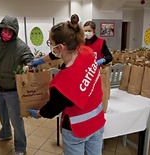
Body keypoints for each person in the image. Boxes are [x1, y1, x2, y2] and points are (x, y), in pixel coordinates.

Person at [27, 14, 105, 155]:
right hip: (97, 123)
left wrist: (39, 113)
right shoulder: (87, 52)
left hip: (76, 129)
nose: (51, 47)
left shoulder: (62, 83)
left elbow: (52, 110)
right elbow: (56, 54)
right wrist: (40, 60)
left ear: (61, 46)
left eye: (51, 43)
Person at [0, 15, 34, 155]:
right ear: (1, 29)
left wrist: (29, 64)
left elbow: (28, 57)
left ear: (15, 32)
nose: (6, 33)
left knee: (16, 120)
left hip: (13, 91)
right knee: (2, 114)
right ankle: (5, 134)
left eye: (10, 31)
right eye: (5, 30)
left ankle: (20, 147)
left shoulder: (21, 46)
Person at [31, 21, 113, 68]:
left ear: (94, 31)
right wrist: (40, 61)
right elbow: (56, 54)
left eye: (89, 31)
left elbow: (109, 57)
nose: (87, 33)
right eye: (85, 31)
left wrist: (102, 61)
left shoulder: (101, 42)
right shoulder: (81, 42)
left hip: (92, 71)